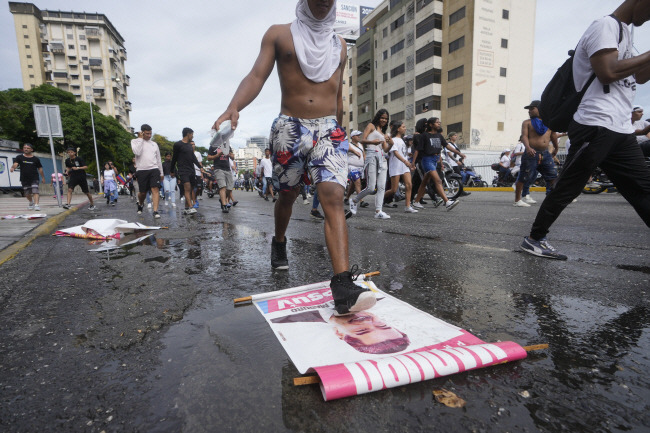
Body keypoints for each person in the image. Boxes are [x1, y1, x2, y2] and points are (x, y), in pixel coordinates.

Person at [213, 0, 376, 316]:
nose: (322, 2)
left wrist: (345, 136)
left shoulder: (340, 45)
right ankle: (278, 240)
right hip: (291, 126)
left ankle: (342, 285)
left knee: (333, 197)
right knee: (287, 195)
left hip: (329, 128)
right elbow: (256, 75)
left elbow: (339, 96)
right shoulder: (279, 35)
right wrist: (235, 106)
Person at [521, 1, 650, 260]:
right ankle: (534, 238)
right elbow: (608, 71)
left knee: (643, 188)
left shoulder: (625, 35)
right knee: (569, 185)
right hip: (594, 125)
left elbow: (641, 77)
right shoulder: (604, 26)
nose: (647, 20)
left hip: (620, 128)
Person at [271, 309, 410, 354]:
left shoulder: (285, 318)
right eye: (383, 326)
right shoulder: (372, 299)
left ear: (339, 333)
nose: (366, 321)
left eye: (362, 330)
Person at [411, 117, 465, 210]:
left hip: (435, 160)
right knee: (438, 181)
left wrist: (458, 153)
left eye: (439, 122)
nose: (439, 123)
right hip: (427, 160)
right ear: (431, 125)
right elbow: (417, 150)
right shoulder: (425, 135)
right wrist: (412, 164)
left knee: (424, 183)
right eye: (436, 122)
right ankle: (447, 202)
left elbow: (447, 146)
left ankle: (416, 202)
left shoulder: (439, 136)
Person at [349, 109, 392, 219]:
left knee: (382, 187)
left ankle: (378, 211)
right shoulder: (371, 126)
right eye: (382, 117)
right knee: (371, 187)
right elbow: (362, 140)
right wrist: (373, 142)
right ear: (378, 117)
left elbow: (386, 149)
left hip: (382, 158)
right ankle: (354, 200)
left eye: (386, 119)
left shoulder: (382, 132)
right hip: (372, 156)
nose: (384, 120)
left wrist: (391, 144)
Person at [384, 120, 417, 213]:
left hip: (404, 166)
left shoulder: (402, 140)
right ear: (398, 129)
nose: (405, 128)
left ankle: (407, 206)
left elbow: (403, 153)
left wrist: (409, 162)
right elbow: (395, 152)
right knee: (393, 190)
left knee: (409, 185)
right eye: (403, 127)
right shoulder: (393, 140)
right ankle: (380, 198)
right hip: (395, 166)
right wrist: (405, 161)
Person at [171, 128, 202, 215]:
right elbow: (174, 158)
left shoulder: (189, 145)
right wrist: (172, 170)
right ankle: (191, 207)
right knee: (187, 187)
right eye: (192, 134)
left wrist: (200, 167)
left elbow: (193, 158)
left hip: (191, 170)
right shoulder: (178, 145)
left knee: (191, 188)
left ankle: (186, 208)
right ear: (188, 134)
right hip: (182, 170)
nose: (193, 136)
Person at [10, 143, 45, 211]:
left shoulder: (36, 159)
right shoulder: (19, 157)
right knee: (27, 193)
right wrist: (13, 168)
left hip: (34, 177)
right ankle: (31, 202)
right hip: (24, 178)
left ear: (31, 150)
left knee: (35, 191)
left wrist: (43, 177)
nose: (26, 149)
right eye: (24, 148)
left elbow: (40, 169)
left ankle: (36, 205)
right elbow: (15, 164)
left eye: (28, 148)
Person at [207, 132, 236, 213]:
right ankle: (224, 205)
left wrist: (229, 155)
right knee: (222, 187)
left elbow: (233, 157)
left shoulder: (227, 146)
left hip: (227, 169)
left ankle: (222, 199)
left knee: (229, 188)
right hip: (218, 168)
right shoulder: (213, 146)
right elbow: (208, 158)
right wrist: (217, 155)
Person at [345, 130, 365, 206]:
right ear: (352, 137)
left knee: (353, 185)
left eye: (359, 135)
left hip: (361, 167)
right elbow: (347, 149)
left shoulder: (361, 145)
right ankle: (361, 201)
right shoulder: (349, 144)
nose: (359, 137)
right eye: (357, 135)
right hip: (352, 167)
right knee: (358, 183)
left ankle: (346, 198)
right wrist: (354, 151)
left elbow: (364, 155)